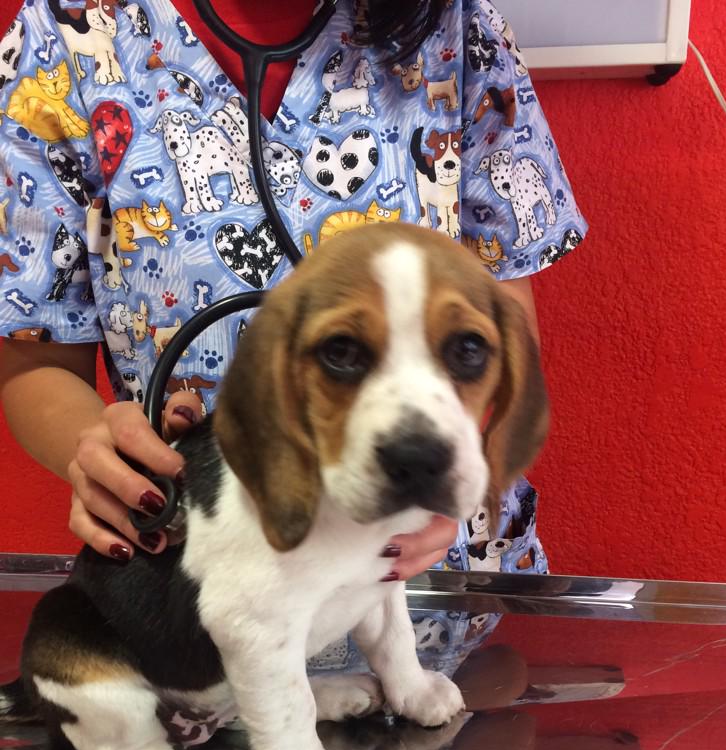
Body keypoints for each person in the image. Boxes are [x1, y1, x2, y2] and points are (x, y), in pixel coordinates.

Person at [0, 0, 586, 579]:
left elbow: (500, 324)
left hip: (436, 570)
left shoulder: (457, 24)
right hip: (216, 566)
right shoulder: (68, 33)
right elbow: (34, 352)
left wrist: (451, 472)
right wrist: (100, 452)